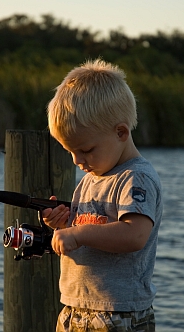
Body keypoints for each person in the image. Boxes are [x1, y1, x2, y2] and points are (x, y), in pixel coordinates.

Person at [42, 59, 162, 332]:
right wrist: (64, 226)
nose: (77, 160)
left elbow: (134, 235)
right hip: (75, 308)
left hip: (118, 313)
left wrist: (77, 234)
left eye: (86, 149)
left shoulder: (135, 177)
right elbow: (90, 228)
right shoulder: (90, 179)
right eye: (70, 151)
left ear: (120, 132)